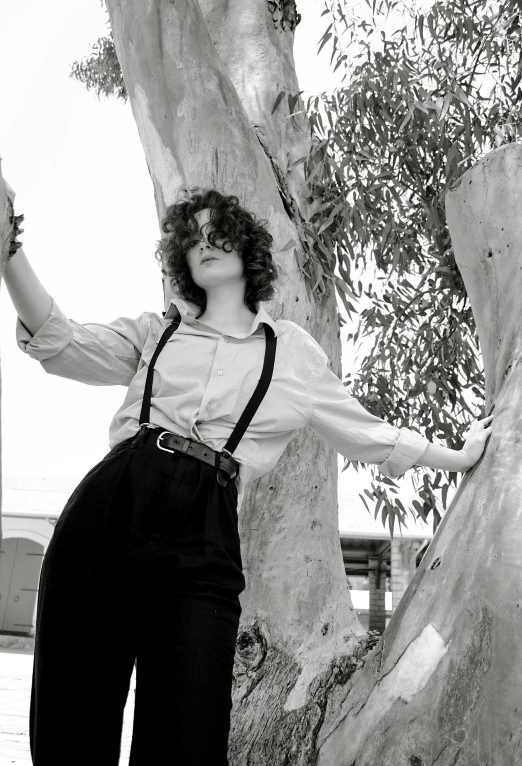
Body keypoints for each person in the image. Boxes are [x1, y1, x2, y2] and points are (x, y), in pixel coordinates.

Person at [2, 184, 493, 766]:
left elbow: (366, 432)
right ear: (180, 258)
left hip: (204, 534)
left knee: (188, 735)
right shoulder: (156, 332)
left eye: (219, 232)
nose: (205, 243)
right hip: (109, 507)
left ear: (247, 251)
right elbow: (60, 340)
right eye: (193, 237)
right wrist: (10, 248)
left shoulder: (288, 353)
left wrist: (458, 457)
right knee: (71, 721)